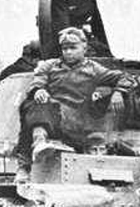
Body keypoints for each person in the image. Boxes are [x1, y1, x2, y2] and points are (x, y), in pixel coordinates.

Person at [15, 27, 133, 182]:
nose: (68, 52)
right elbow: (38, 80)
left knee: (37, 110)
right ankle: (35, 151)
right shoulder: (50, 66)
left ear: (84, 47)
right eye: (65, 48)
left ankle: (38, 146)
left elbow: (125, 77)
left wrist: (119, 92)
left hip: (76, 123)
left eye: (73, 48)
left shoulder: (94, 69)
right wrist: (38, 90)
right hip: (50, 118)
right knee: (32, 103)